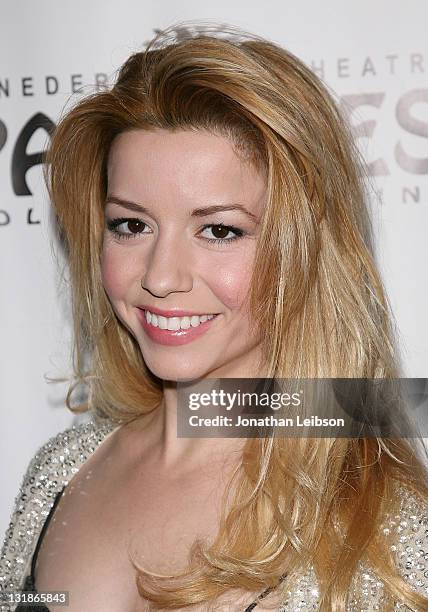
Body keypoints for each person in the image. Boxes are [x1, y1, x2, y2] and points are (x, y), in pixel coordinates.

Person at [1, 21, 427, 612]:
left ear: (304, 248)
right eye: (131, 225)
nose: (160, 276)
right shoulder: (63, 472)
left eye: (219, 230)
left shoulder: (377, 518)